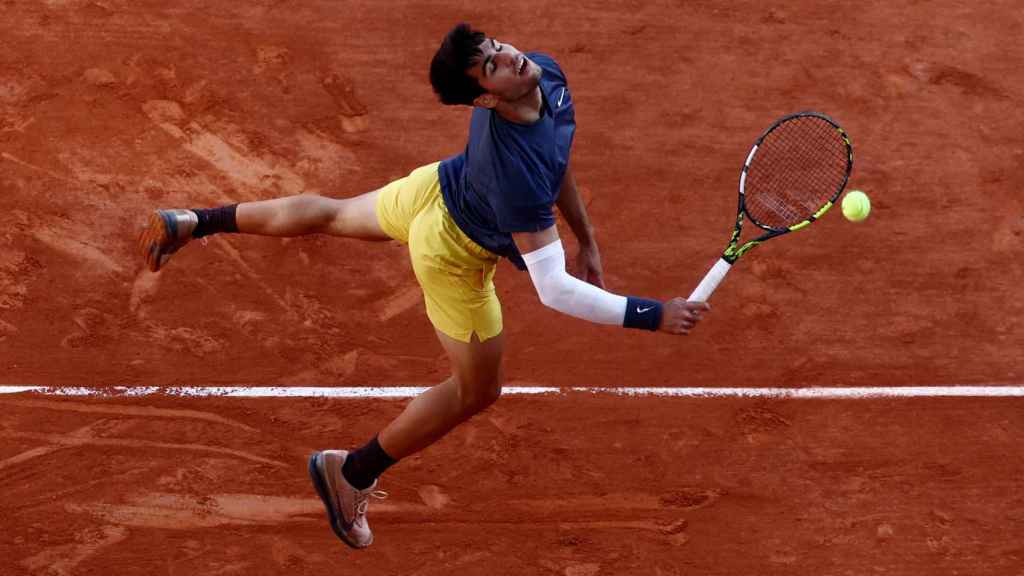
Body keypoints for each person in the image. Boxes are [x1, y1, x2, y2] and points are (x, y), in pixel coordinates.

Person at [138, 22, 710, 549]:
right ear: (486, 98)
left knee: (333, 214)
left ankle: (195, 221)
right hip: (452, 253)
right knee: (477, 391)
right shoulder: (516, 177)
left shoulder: (544, 73)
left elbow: (556, 154)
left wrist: (587, 236)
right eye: (491, 68)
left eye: (497, 48)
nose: (509, 58)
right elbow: (554, 290)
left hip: (435, 186)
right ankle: (350, 472)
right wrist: (650, 314)